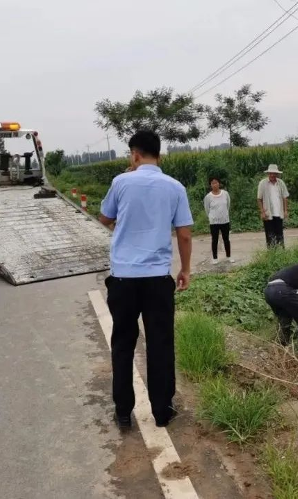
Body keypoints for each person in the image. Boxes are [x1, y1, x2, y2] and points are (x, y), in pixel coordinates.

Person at [99, 130, 193, 430]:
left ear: (135, 155)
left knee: (123, 344)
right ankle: (162, 411)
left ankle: (124, 412)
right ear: (159, 155)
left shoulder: (121, 182)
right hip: (156, 280)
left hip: (124, 279)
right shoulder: (175, 187)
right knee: (160, 344)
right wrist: (185, 269)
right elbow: (185, 233)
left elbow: (104, 218)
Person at [256, 164, 289, 248]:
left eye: (274, 173)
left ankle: (281, 252)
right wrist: (262, 212)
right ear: (268, 173)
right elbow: (259, 199)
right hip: (268, 214)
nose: (272, 175)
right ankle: (272, 253)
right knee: (270, 235)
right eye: (270, 173)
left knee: (279, 234)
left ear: (277, 174)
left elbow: (285, 197)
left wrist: (285, 211)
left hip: (279, 213)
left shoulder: (281, 183)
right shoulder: (262, 183)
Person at [203, 177, 234, 265]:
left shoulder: (225, 194)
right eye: (213, 183)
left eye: (216, 183)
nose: (215, 185)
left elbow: (228, 205)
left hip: (225, 220)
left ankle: (229, 256)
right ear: (210, 185)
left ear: (219, 184)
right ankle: (215, 258)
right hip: (214, 222)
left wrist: (224, 214)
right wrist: (211, 217)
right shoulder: (208, 197)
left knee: (226, 239)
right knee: (214, 240)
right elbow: (207, 209)